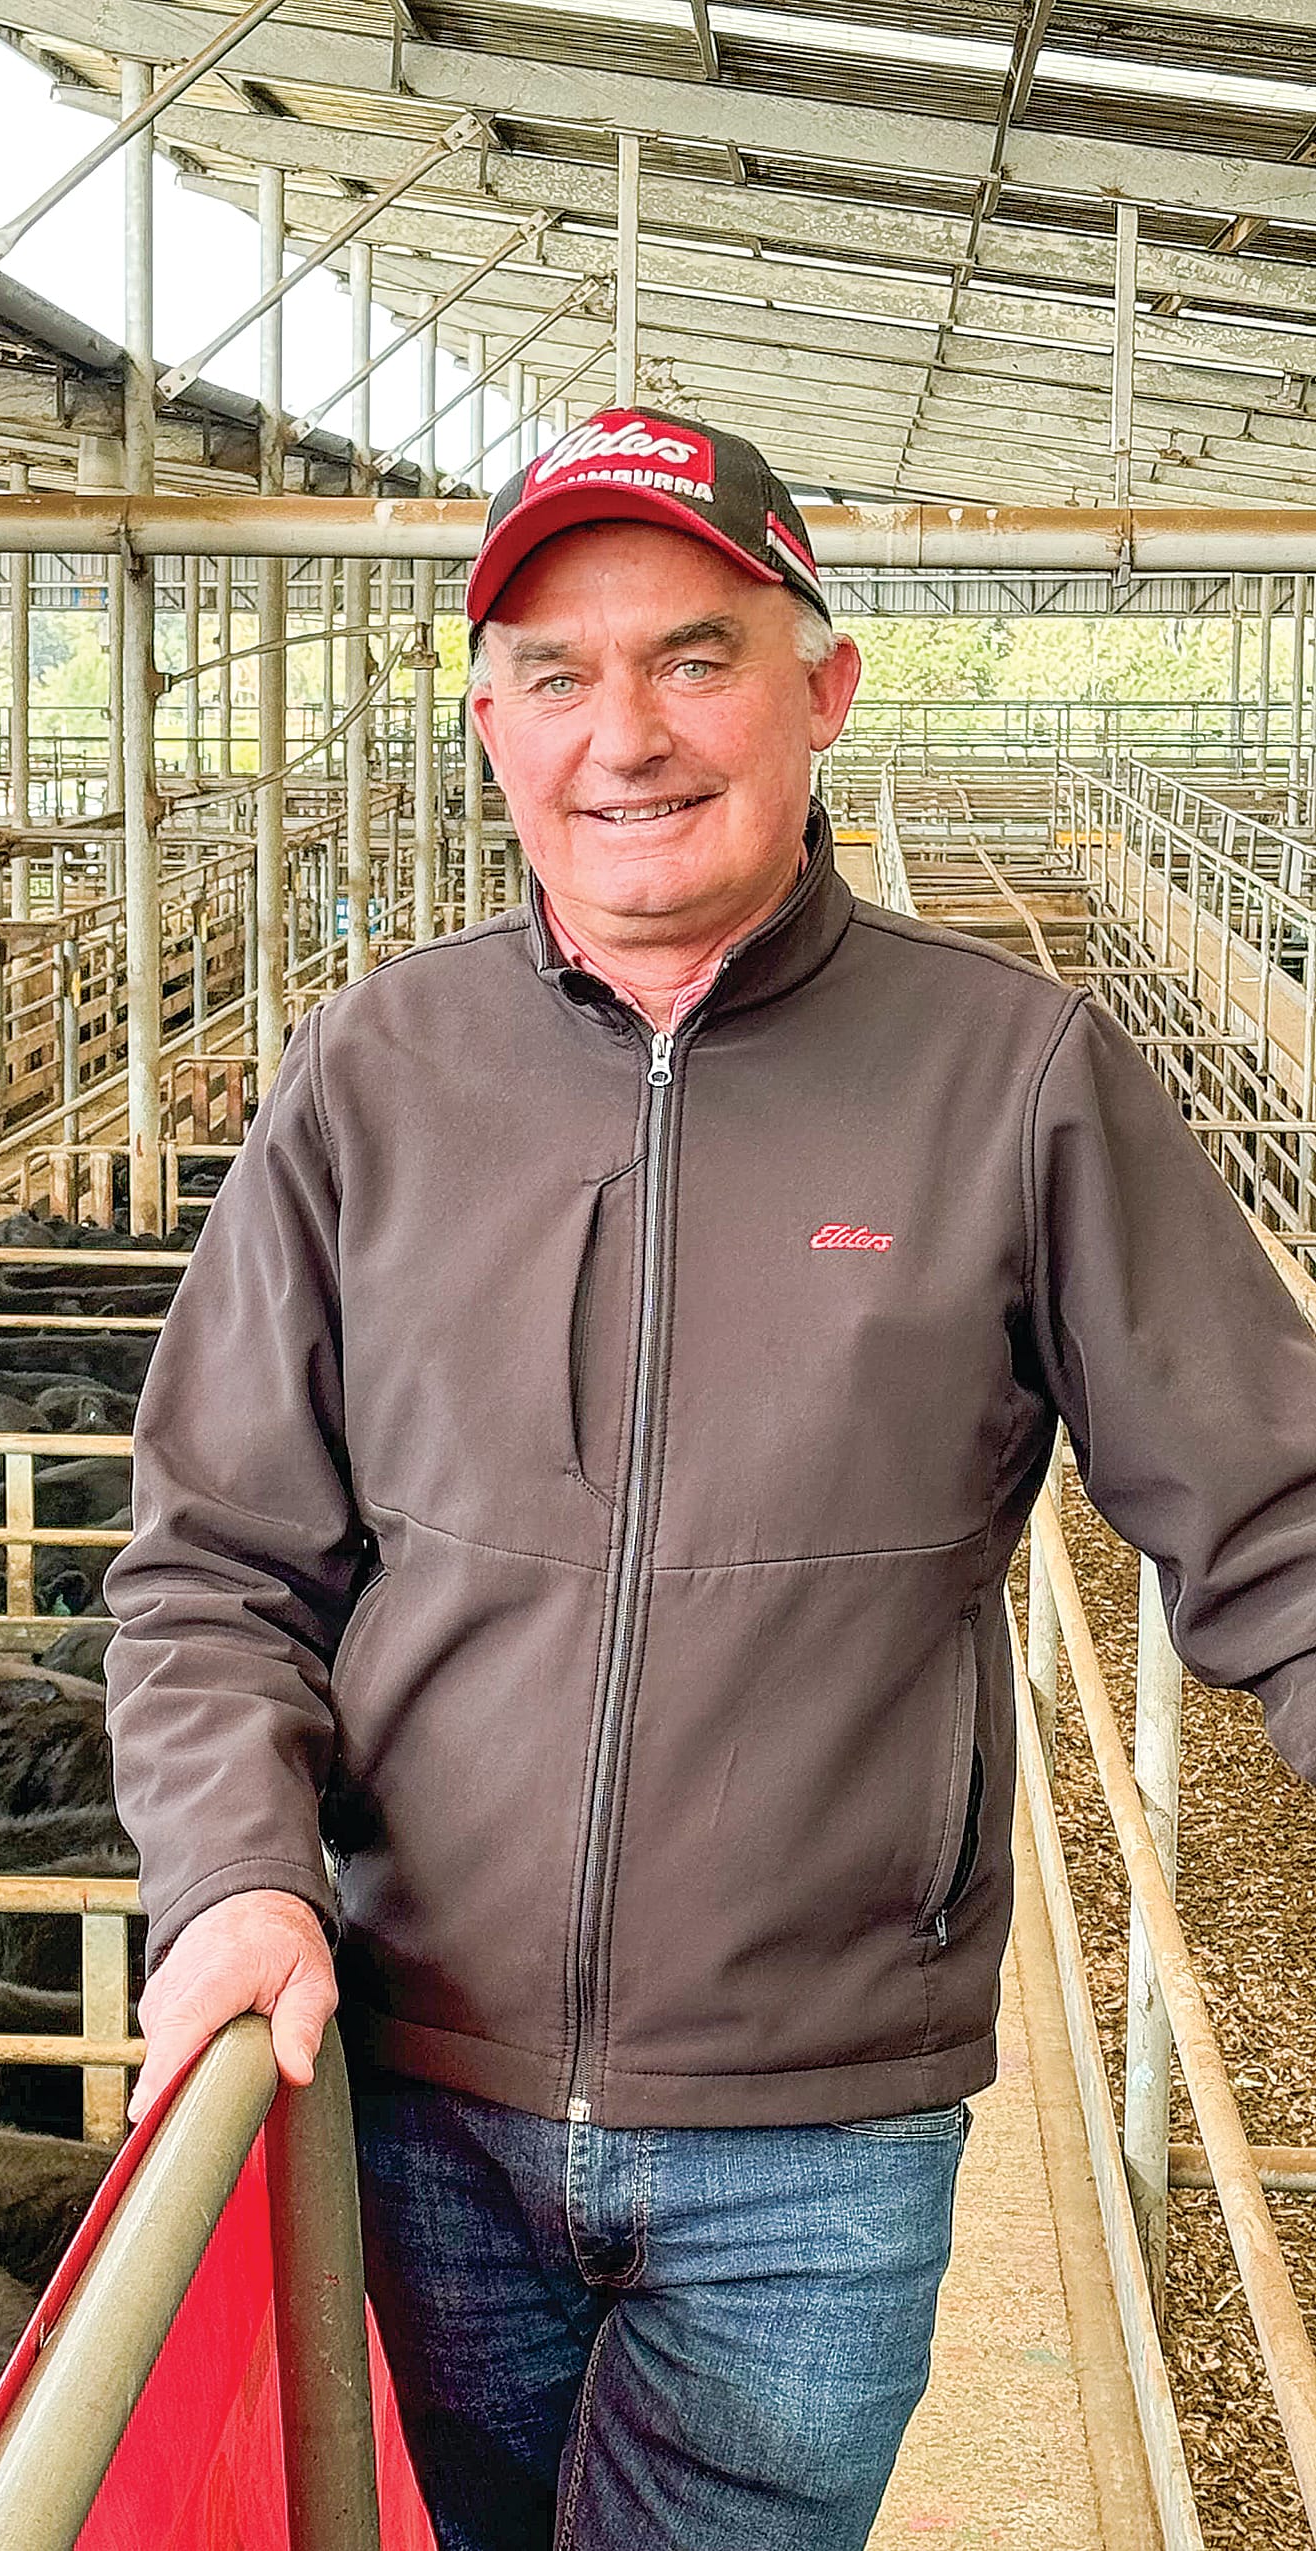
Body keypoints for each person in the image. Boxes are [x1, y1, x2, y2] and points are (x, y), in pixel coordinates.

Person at [101, 407, 1316, 2551]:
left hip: (812, 2150)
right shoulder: (374, 1073)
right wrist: (230, 1877)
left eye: (692, 656)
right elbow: (211, 1563)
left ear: (819, 687)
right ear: (486, 722)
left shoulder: (1011, 1077)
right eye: (555, 675)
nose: (625, 736)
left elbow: (1279, 1524)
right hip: (413, 2101)